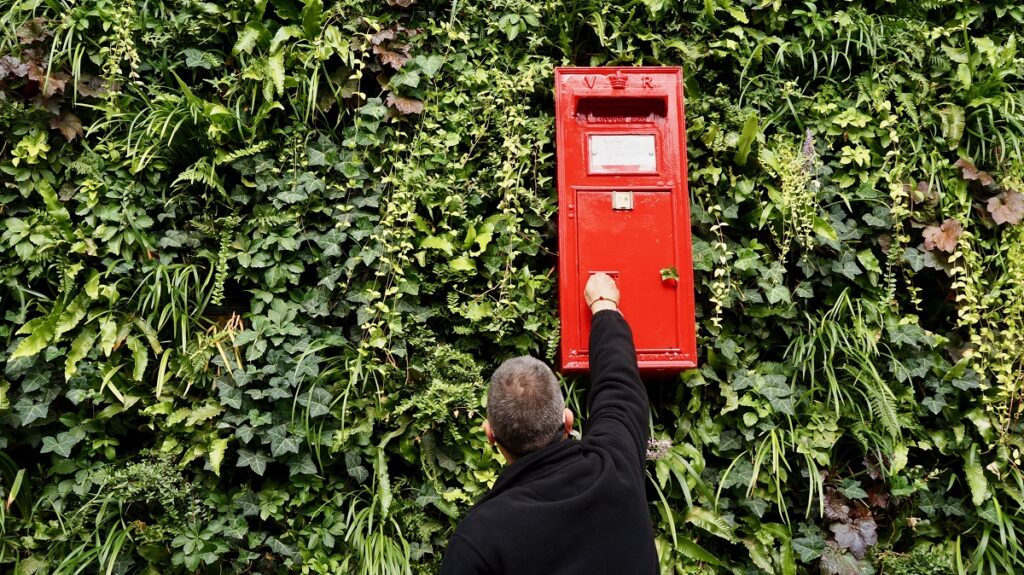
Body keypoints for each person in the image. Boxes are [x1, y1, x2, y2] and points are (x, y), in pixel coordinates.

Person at [439, 272, 657, 574]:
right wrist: (604, 305)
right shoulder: (614, 467)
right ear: (567, 421)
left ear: (491, 435)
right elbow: (619, 388)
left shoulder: (479, 539)